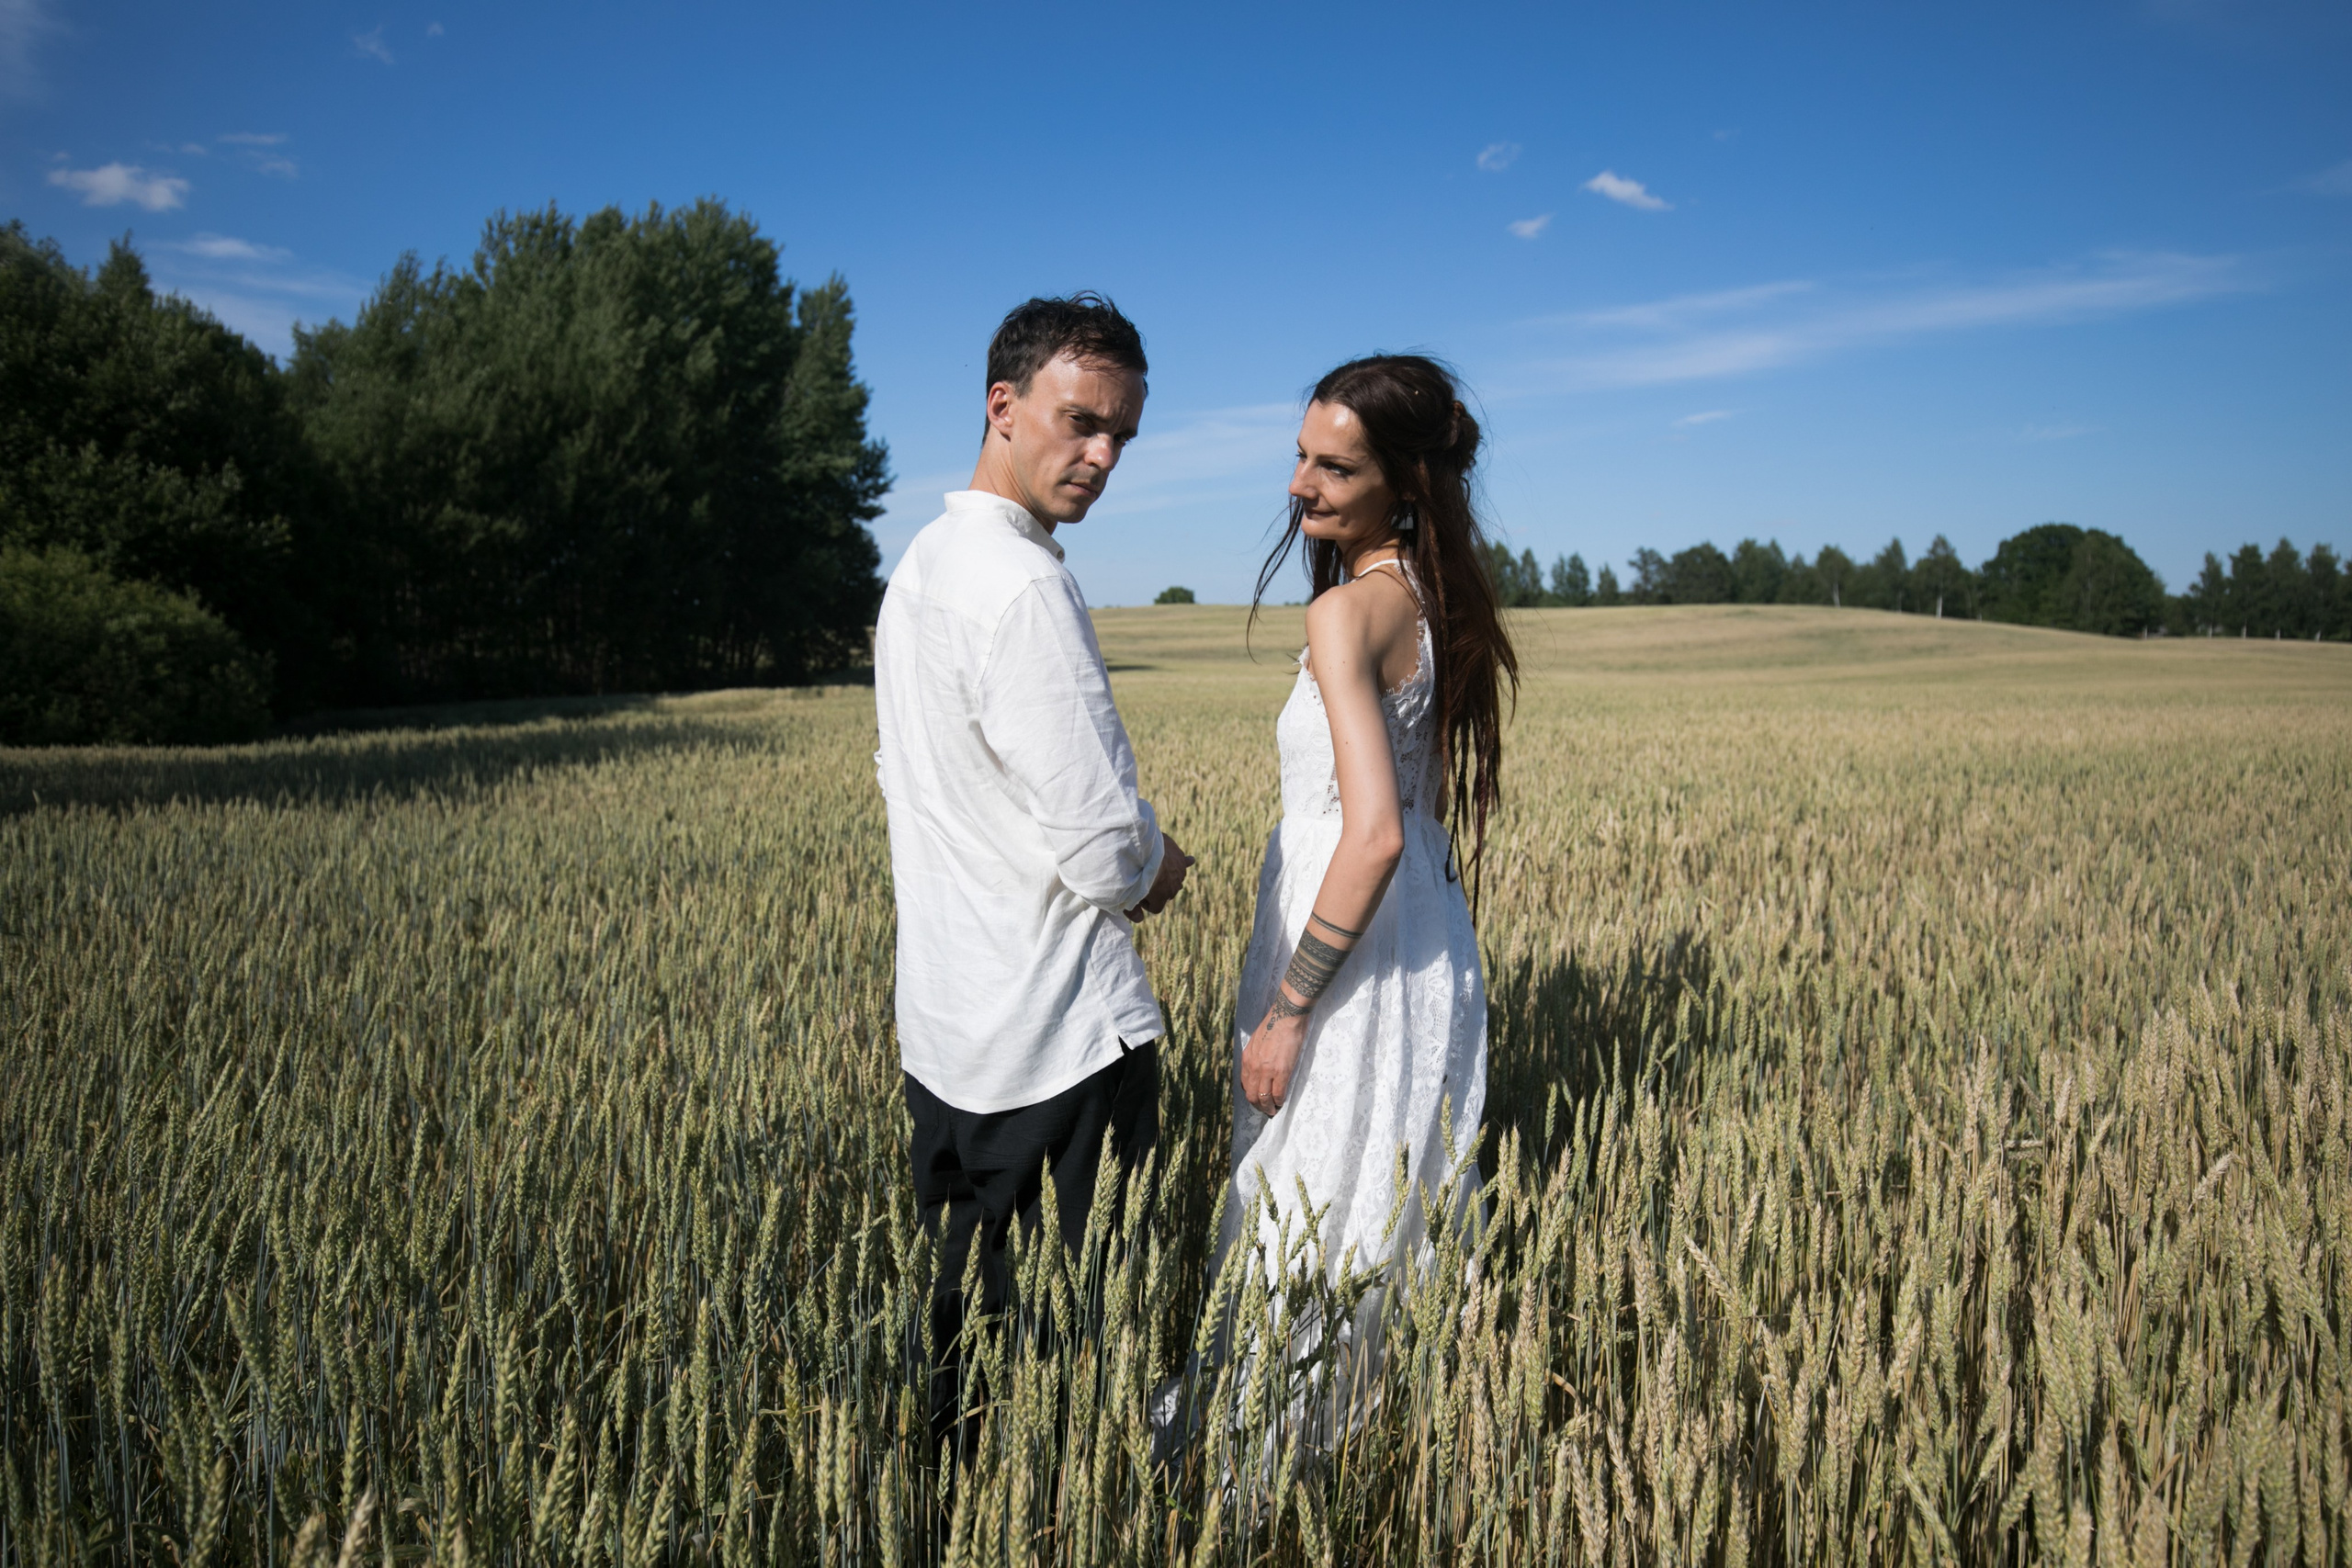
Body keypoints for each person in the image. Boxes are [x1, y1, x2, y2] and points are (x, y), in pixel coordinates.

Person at [873, 294, 1194, 1463]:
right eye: (1082, 421)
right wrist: (1161, 862)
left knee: (967, 1353)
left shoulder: (920, 565)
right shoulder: (1022, 584)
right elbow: (1102, 845)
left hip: (946, 1036)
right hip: (1056, 1036)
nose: (1102, 456)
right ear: (1003, 406)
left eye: (1122, 437)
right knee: (1081, 1356)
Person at [1206, 354, 1519, 1434]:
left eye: (1334, 468)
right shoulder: (1435, 600)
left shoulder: (1344, 614)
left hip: (1349, 953)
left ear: (1403, 484)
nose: (1300, 484)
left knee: (1304, 1210)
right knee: (1382, 1208)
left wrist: (1290, 1010)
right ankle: (1383, 1446)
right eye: (1300, 455)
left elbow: (1374, 832)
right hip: (1424, 948)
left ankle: (1269, 1471)